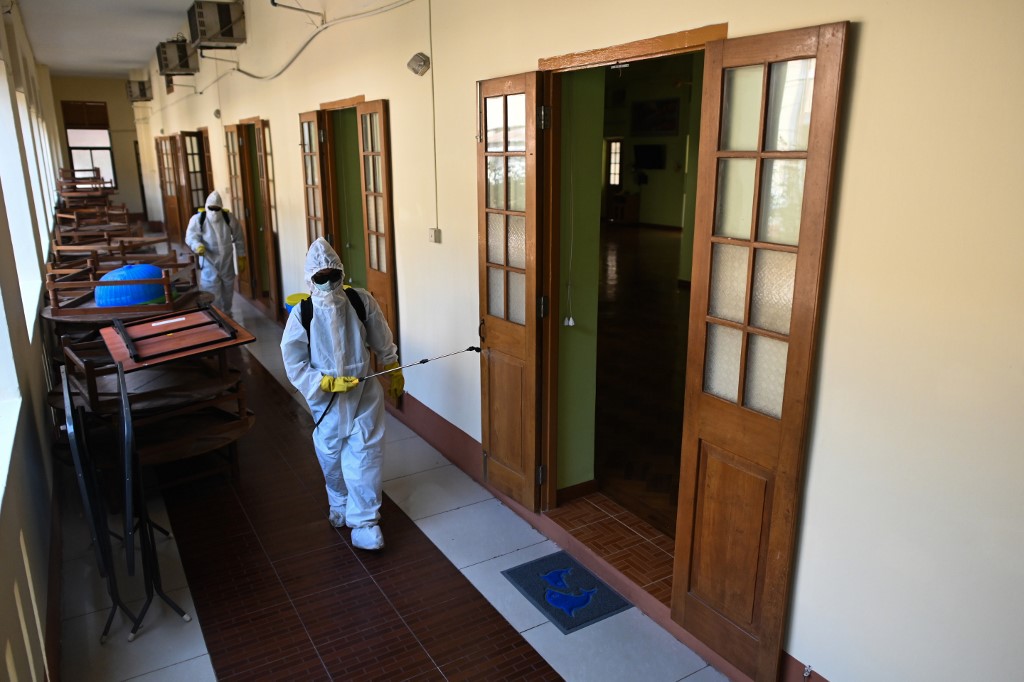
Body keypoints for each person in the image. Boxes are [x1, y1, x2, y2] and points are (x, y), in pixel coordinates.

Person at [280, 238, 404, 550]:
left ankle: (364, 523)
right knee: (331, 456)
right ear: (311, 279)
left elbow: (381, 337)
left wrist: (392, 368)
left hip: (363, 394)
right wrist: (323, 383)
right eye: (320, 278)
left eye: (333, 276)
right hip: (327, 401)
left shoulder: (360, 302)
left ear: (342, 273)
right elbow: (293, 360)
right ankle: (339, 501)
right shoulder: (302, 314)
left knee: (365, 456)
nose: (328, 284)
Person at [185, 190, 246, 313]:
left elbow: (239, 237)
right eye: (211, 208)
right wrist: (197, 246)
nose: (214, 212)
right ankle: (216, 316)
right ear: (207, 207)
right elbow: (190, 236)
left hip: (227, 261)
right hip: (209, 261)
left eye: (216, 208)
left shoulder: (228, 218)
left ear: (221, 208)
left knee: (228, 290)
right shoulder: (198, 219)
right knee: (211, 291)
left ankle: (227, 314)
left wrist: (241, 256)